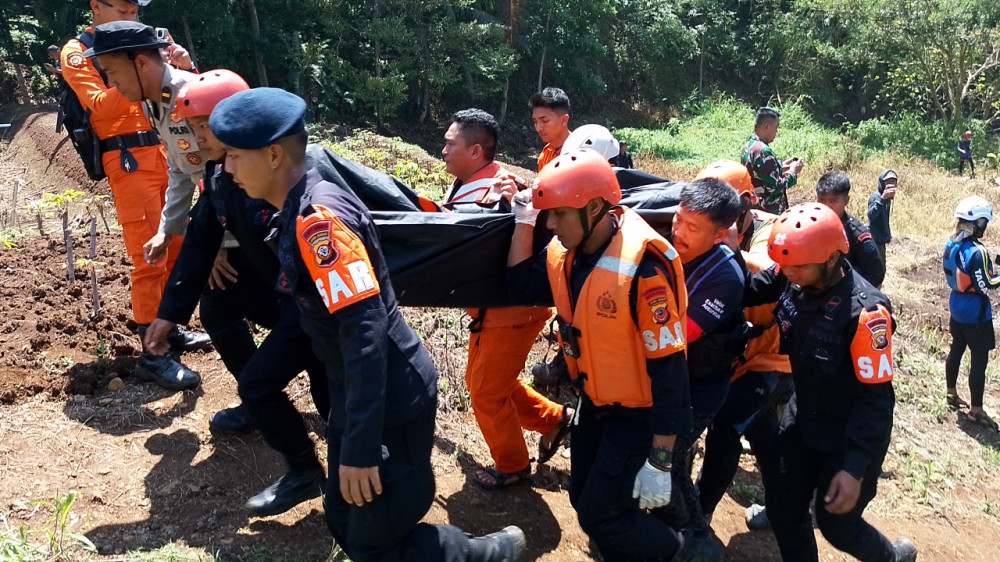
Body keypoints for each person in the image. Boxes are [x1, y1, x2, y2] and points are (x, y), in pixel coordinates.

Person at [210, 87, 527, 561]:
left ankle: (487, 553)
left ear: (274, 155)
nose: (227, 169)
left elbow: (365, 331)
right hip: (359, 392)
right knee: (343, 517)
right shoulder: (306, 196)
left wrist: (359, 446)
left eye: (233, 156)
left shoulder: (319, 221)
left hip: (389, 398)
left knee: (372, 542)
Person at [506, 149, 716, 561]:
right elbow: (518, 285)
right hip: (595, 402)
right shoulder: (566, 254)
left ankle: (683, 552)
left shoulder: (644, 271)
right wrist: (522, 219)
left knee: (602, 514)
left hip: (638, 415)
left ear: (597, 208)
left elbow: (671, 373)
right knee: (584, 498)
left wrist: (660, 459)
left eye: (558, 215)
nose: (550, 225)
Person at [143, 70, 334, 516]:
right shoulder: (220, 178)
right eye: (192, 127)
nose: (200, 137)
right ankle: (308, 471)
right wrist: (169, 314)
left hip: (321, 304)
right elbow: (198, 245)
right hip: (290, 300)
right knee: (260, 376)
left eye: (207, 125)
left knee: (331, 391)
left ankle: (360, 470)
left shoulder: (300, 175)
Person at [744, 203, 916, 562]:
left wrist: (854, 468)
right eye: (783, 263)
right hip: (804, 414)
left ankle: (893, 557)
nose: (786, 271)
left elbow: (875, 401)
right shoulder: (796, 269)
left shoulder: (867, 315)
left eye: (797, 266)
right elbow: (754, 288)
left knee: (837, 523)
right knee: (783, 502)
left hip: (848, 432)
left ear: (832, 258)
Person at [61, 0, 208, 390]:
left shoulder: (143, 45)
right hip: (127, 160)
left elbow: (184, 96)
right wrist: (132, 70)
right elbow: (100, 108)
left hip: (166, 153)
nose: (132, 16)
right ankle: (152, 355)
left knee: (175, 244)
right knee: (149, 256)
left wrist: (174, 66)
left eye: (134, 10)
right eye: (123, 9)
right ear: (97, 5)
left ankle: (170, 331)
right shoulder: (78, 52)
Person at [440, 108, 569, 489]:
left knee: (485, 393)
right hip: (494, 310)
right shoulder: (476, 183)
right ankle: (555, 420)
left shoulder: (494, 191)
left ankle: (512, 466)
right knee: (489, 383)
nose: (443, 151)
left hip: (511, 311)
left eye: (450, 144)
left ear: (476, 151)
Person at [691, 161, 792, 527]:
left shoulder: (769, 230)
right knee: (764, 435)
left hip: (771, 359)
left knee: (727, 426)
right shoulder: (705, 235)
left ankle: (698, 514)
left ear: (744, 206)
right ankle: (789, 505)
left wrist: (729, 249)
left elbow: (769, 271)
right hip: (739, 356)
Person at [658, 176, 745, 544]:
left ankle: (695, 537)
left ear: (719, 235)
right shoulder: (665, 238)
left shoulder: (725, 277)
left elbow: (674, 336)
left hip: (699, 389)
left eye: (692, 227)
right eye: (679, 218)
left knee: (667, 465)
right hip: (667, 379)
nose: (679, 230)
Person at [943, 196, 1000, 431]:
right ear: (977, 222)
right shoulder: (978, 252)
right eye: (983, 222)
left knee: (956, 347)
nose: (984, 227)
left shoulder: (951, 242)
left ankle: (951, 393)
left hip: (955, 304)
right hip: (974, 312)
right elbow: (987, 285)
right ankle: (976, 411)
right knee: (979, 359)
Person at [815, 171, 885, 287]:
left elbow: (875, 275)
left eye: (833, 201)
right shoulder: (810, 225)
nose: (827, 206)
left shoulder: (857, 234)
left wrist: (847, 289)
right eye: (822, 200)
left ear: (846, 200)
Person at [741, 107, 803, 214]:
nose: (776, 132)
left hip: (755, 209)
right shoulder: (763, 151)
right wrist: (793, 171)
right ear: (766, 127)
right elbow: (775, 187)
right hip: (768, 212)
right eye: (776, 127)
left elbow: (760, 174)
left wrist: (781, 166)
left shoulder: (749, 146)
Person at [529, 87, 572, 170]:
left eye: (544, 121)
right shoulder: (545, 155)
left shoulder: (582, 152)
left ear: (564, 120)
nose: (538, 128)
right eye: (535, 122)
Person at [867, 170, 897, 266]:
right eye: (887, 181)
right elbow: (871, 215)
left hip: (881, 237)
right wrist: (882, 199)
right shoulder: (877, 197)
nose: (891, 184)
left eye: (893, 181)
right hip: (875, 238)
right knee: (878, 268)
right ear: (882, 183)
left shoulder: (887, 198)